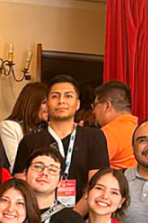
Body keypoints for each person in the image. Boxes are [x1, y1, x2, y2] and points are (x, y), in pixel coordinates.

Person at [13, 75, 110, 215]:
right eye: (55, 96)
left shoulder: (94, 137)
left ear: (77, 104)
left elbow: (97, 186)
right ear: (46, 104)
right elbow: (22, 187)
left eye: (68, 96)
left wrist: (71, 220)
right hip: (36, 220)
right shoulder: (30, 141)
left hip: (81, 220)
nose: (61, 101)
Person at [0, 82, 48, 172]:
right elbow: (15, 166)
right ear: (32, 103)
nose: (49, 107)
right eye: (44, 103)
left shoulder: (46, 129)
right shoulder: (9, 127)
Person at [92, 81, 137, 170]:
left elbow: (88, 166)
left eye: (95, 106)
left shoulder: (109, 133)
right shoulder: (137, 128)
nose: (93, 112)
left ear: (107, 106)